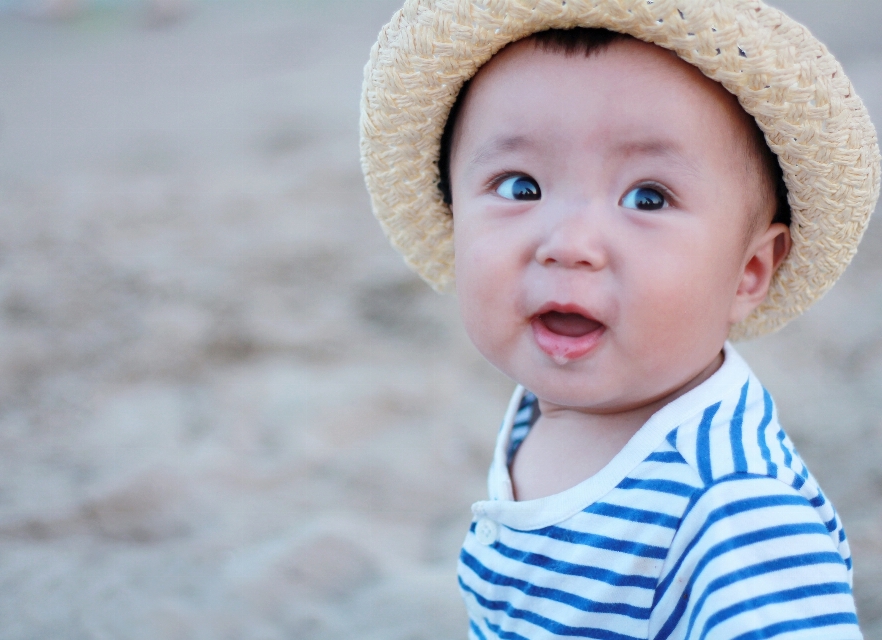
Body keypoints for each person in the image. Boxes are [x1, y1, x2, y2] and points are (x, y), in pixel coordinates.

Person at [360, 1, 880, 638]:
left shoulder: (735, 510)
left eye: (647, 197)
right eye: (520, 186)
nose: (569, 241)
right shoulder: (547, 401)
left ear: (748, 272)